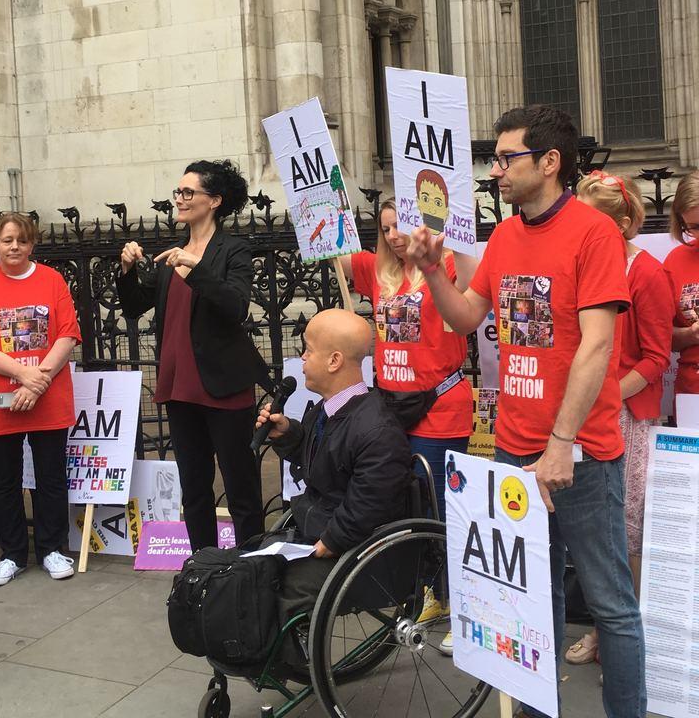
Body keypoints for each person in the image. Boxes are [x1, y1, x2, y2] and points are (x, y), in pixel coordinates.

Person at [406, 105, 645, 718]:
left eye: (507, 158)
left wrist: (562, 441)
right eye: (495, 159)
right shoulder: (506, 236)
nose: (496, 171)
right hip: (513, 451)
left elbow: (598, 346)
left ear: (549, 162)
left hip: (581, 455)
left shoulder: (594, 235)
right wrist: (434, 270)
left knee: (612, 605)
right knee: (535, 603)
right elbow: (467, 318)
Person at [117, 159, 268, 551]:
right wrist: (127, 270)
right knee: (195, 490)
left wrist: (196, 268)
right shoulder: (174, 253)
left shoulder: (233, 250)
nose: (180, 200)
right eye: (178, 192)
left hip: (223, 385)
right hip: (180, 386)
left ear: (214, 200)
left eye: (188, 193)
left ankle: (251, 568)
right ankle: (202, 567)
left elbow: (235, 306)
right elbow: (134, 307)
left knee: (241, 489)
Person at [339, 198, 476, 628]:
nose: (394, 236)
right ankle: (422, 590)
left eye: (401, 225)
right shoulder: (376, 270)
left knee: (436, 509)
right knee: (406, 506)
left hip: (440, 407)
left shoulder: (446, 266)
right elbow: (332, 247)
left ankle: (453, 600)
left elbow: (475, 291)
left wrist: (455, 217)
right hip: (392, 407)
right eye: (385, 229)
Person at [256, 309, 412, 658]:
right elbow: (327, 462)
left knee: (268, 590)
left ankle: (278, 660)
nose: (302, 358)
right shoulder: (330, 409)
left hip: (354, 553)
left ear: (334, 360)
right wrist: (289, 434)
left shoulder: (377, 429)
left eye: (308, 350)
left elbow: (371, 502)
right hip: (316, 528)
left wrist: (331, 540)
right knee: (249, 566)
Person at [564, 171, 672, 666]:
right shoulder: (580, 263)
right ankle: (603, 630)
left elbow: (655, 358)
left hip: (625, 413)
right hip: (585, 409)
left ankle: (621, 639)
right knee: (589, 530)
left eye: (593, 219)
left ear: (623, 222)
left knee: (625, 531)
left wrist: (602, 391)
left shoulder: (648, 273)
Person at [0, 213, 81, 586]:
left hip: (46, 396)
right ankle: (12, 553)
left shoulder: (52, 280)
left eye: (22, 240)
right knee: (5, 480)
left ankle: (52, 548)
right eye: (7, 240)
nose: (15, 247)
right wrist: (21, 373)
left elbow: (67, 334)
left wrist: (35, 381)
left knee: (50, 477)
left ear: (32, 245)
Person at [664, 171, 699, 403]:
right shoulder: (676, 261)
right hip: (692, 390)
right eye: (694, 226)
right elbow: (662, 337)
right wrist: (691, 334)